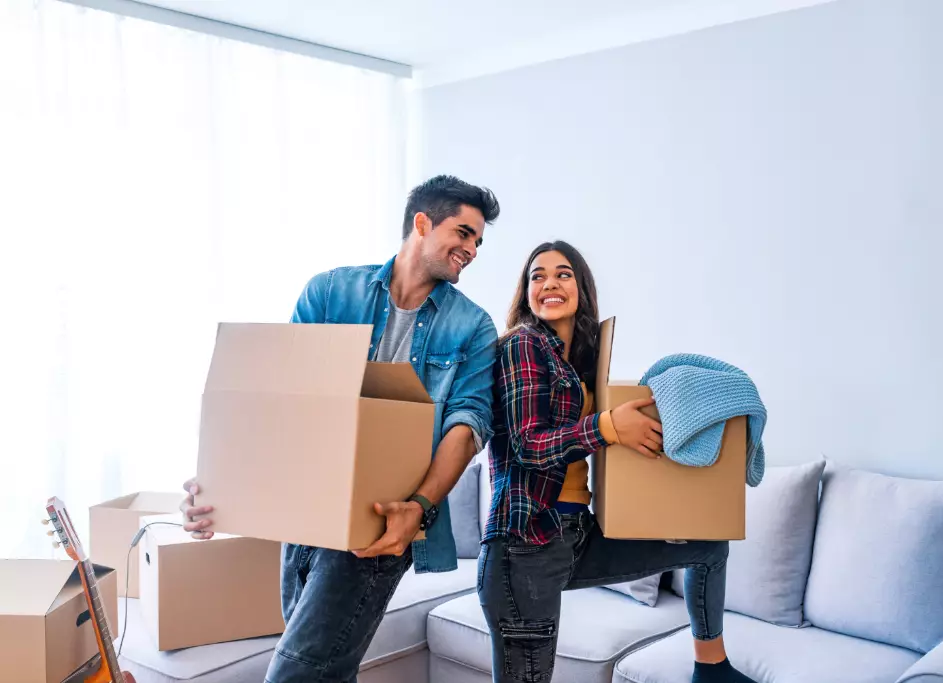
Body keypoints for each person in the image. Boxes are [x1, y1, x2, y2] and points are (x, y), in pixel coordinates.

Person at [179, 174, 501, 683]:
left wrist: (418, 509)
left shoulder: (474, 328)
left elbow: (467, 425)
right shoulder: (329, 292)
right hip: (307, 515)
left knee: (294, 675)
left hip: (381, 522)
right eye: (463, 233)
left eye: (478, 240)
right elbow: (281, 400)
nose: (473, 248)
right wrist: (223, 485)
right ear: (422, 223)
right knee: (326, 670)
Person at [479, 240, 756, 683]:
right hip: (524, 548)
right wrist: (607, 427)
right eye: (538, 276)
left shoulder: (578, 361)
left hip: (576, 536)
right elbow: (527, 446)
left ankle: (712, 668)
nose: (549, 282)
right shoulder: (523, 346)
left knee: (708, 545)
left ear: (581, 287)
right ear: (526, 292)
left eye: (563, 274)